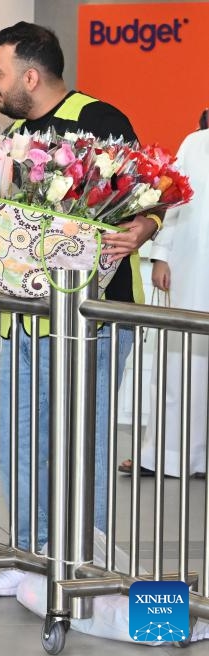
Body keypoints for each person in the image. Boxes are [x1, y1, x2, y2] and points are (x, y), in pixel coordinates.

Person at [0, 21, 157, 597]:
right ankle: (29, 552)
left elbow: (151, 199)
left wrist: (144, 227)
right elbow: (2, 223)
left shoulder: (102, 122)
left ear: (30, 76)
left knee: (82, 440)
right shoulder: (9, 139)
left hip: (95, 320)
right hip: (25, 316)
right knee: (19, 437)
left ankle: (83, 559)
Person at [118, 128, 209, 480]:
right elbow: (174, 201)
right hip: (191, 267)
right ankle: (164, 455)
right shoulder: (195, 142)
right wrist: (161, 256)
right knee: (179, 362)